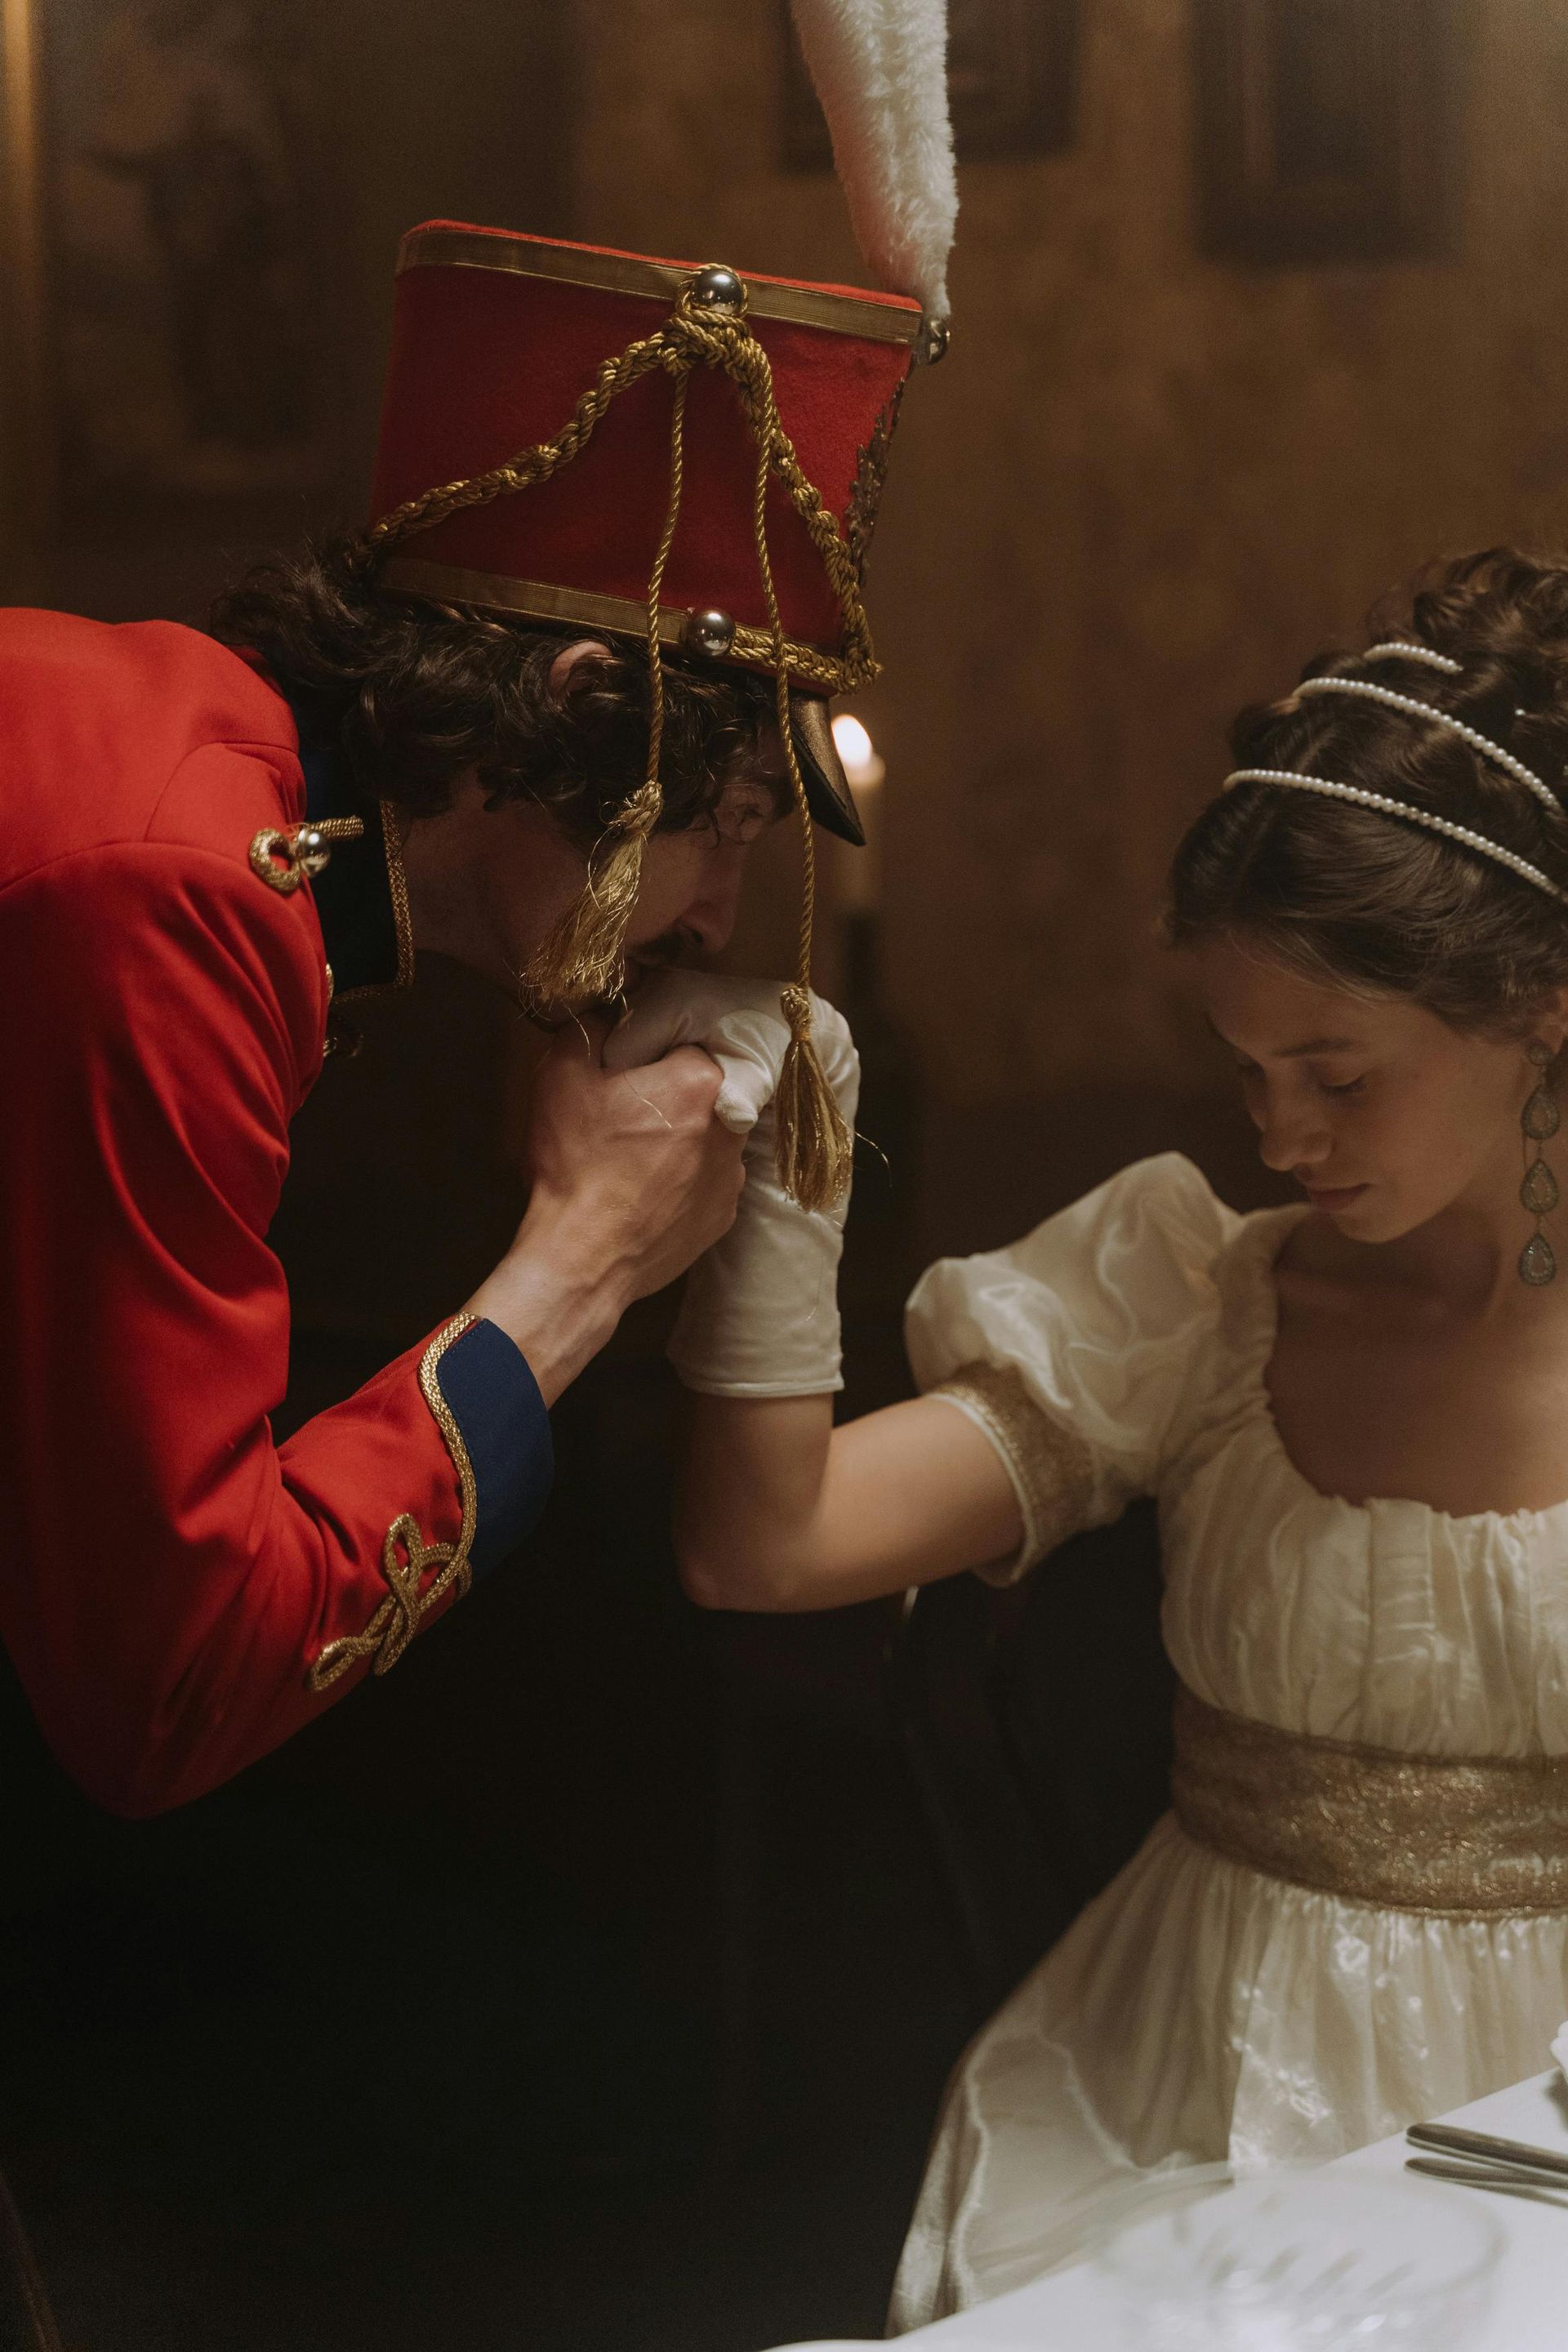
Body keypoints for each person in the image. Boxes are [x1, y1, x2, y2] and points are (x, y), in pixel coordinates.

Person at [657, 546, 1568, 2325]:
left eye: (1341, 1070)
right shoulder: (1197, 1305)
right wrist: (787, 1181)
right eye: (1247, 1071)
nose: (1281, 1134)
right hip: (1190, 2094)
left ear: (1542, 1011)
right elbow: (762, 1546)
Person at [0, 217, 929, 1820]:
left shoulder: (209, 778)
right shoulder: (180, 893)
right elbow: (170, 1687)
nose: (715, 913)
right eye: (722, 821)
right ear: (573, 711)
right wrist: (583, 1263)